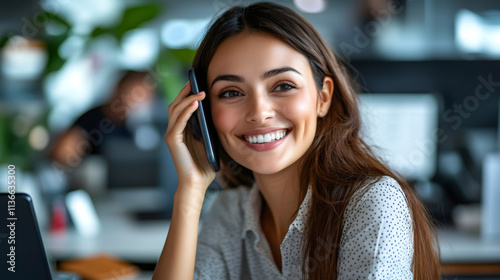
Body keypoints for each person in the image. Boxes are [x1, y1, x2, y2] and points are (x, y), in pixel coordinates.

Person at [154, 2, 440, 280]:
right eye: (231, 92)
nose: (259, 113)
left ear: (323, 98)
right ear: (203, 114)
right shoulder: (231, 212)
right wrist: (190, 192)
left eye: (283, 86)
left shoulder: (372, 203)